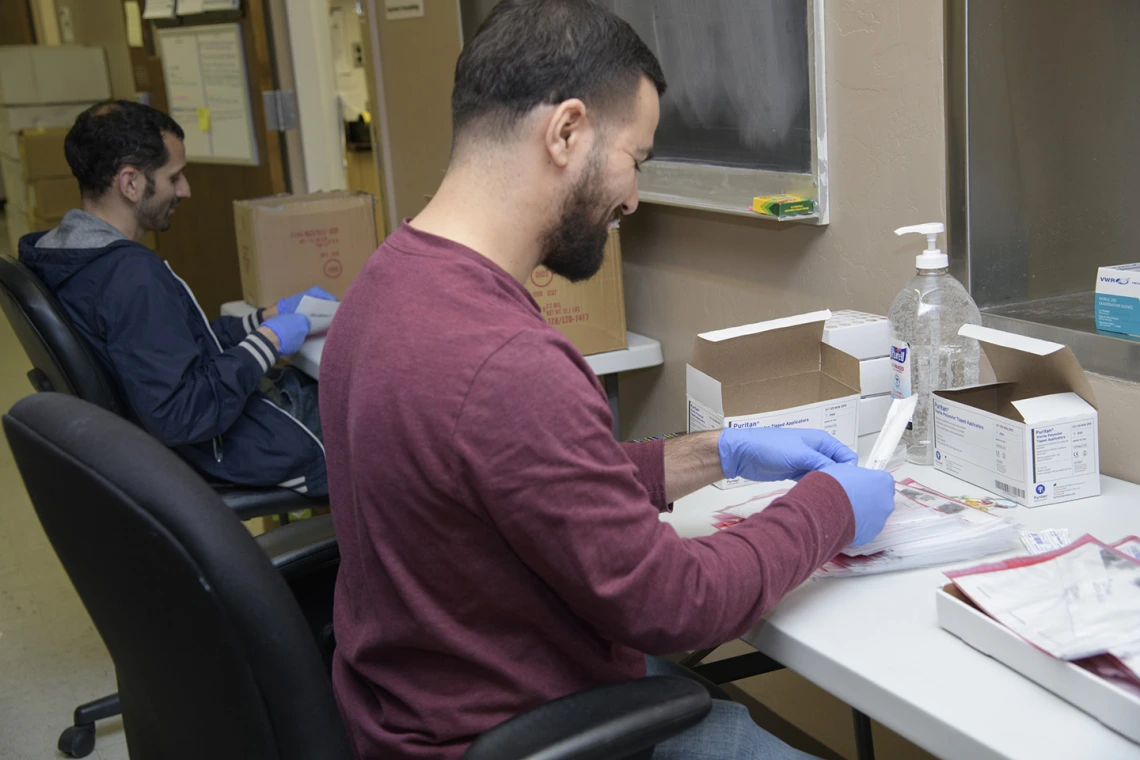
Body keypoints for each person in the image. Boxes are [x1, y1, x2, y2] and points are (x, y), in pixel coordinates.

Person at [320, 1, 896, 758]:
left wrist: (712, 454)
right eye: (637, 160)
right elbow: (676, 604)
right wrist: (829, 509)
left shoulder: (387, 288)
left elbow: (519, 476)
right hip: (516, 734)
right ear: (566, 132)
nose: (631, 197)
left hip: (421, 706)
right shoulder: (504, 359)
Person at [18, 101, 332, 497]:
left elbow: (170, 348)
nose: (185, 190)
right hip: (225, 445)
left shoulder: (62, 254)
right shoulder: (130, 277)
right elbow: (185, 413)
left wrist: (266, 317)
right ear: (130, 183)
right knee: (372, 408)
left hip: (189, 436)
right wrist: (269, 341)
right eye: (174, 177)